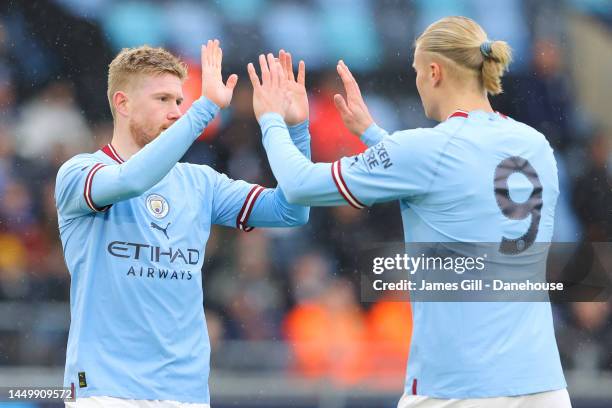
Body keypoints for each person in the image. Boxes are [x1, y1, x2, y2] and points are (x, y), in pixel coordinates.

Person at [249, 17, 571, 407]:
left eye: (417, 73)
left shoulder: (428, 149)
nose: (418, 85)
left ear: (434, 72)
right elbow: (457, 183)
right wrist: (374, 136)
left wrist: (273, 121)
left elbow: (299, 185)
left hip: (459, 385)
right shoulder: (535, 145)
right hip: (541, 383)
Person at [55, 40, 310, 407]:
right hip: (105, 390)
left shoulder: (200, 182)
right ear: (122, 103)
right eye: (162, 100)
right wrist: (205, 109)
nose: (176, 112)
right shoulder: (79, 173)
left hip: (185, 394)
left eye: (179, 101)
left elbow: (291, 211)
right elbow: (131, 181)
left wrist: (295, 129)